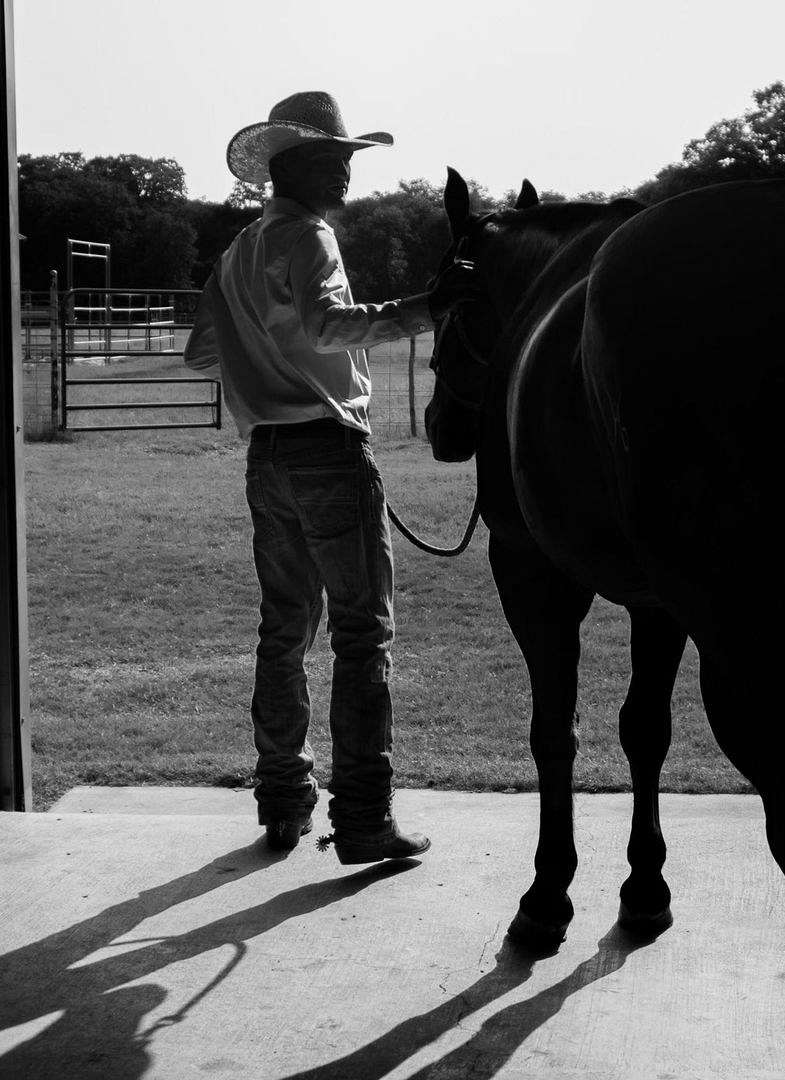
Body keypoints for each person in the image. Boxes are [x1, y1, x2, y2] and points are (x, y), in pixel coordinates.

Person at [184, 91, 479, 862]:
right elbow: (326, 325)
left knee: (284, 629)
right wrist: (426, 308)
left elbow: (199, 353)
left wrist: (262, 357)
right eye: (338, 161)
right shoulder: (309, 235)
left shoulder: (238, 249)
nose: (347, 176)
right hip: (327, 449)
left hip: (268, 457)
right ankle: (364, 818)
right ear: (303, 166)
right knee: (361, 632)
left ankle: (283, 800)